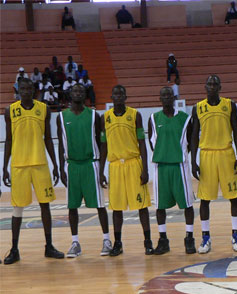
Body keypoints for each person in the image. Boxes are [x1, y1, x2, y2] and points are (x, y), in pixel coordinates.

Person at [3, 78, 63, 264]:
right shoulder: (10, 111)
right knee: (17, 208)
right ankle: (14, 249)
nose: (26, 91)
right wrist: (4, 167)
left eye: (29, 88)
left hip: (40, 164)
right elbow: (9, 140)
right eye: (23, 88)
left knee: (45, 205)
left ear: (34, 90)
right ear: (18, 90)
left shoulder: (43, 109)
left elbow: (47, 139)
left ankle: (49, 246)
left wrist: (55, 164)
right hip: (19, 165)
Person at [56, 84, 111, 258]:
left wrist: (101, 169)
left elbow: (103, 143)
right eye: (75, 91)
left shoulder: (95, 115)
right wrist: (61, 168)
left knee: (100, 205)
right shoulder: (61, 117)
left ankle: (106, 240)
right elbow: (60, 145)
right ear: (70, 95)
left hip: (91, 164)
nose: (78, 93)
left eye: (81, 91)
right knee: (72, 206)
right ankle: (75, 242)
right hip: (72, 165)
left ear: (85, 95)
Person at [99, 85, 154, 256]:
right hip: (115, 166)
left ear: (125, 97)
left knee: (142, 206)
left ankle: (148, 241)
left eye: (121, 94)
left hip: (133, 163)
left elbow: (142, 143)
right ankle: (118, 243)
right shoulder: (105, 118)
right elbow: (103, 145)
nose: (118, 97)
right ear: (112, 97)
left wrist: (145, 168)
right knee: (117, 207)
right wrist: (101, 170)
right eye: (115, 94)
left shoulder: (135, 115)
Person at [191, 75, 237, 254]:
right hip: (207, 155)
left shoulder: (229, 105)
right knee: (205, 199)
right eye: (209, 84)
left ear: (220, 87)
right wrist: (193, 160)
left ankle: (235, 235)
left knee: (233, 197)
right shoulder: (198, 107)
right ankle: (206, 238)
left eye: (215, 84)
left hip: (226, 154)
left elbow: (236, 130)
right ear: (205, 87)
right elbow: (194, 135)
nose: (212, 86)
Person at [148, 86, 195, 254]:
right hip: (161, 166)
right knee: (160, 206)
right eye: (163, 95)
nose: (167, 98)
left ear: (174, 98)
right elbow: (152, 142)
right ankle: (163, 240)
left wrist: (178, 153)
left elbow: (190, 142)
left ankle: (189, 238)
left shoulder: (185, 118)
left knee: (187, 205)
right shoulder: (153, 118)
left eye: (169, 95)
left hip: (180, 166)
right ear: (160, 99)